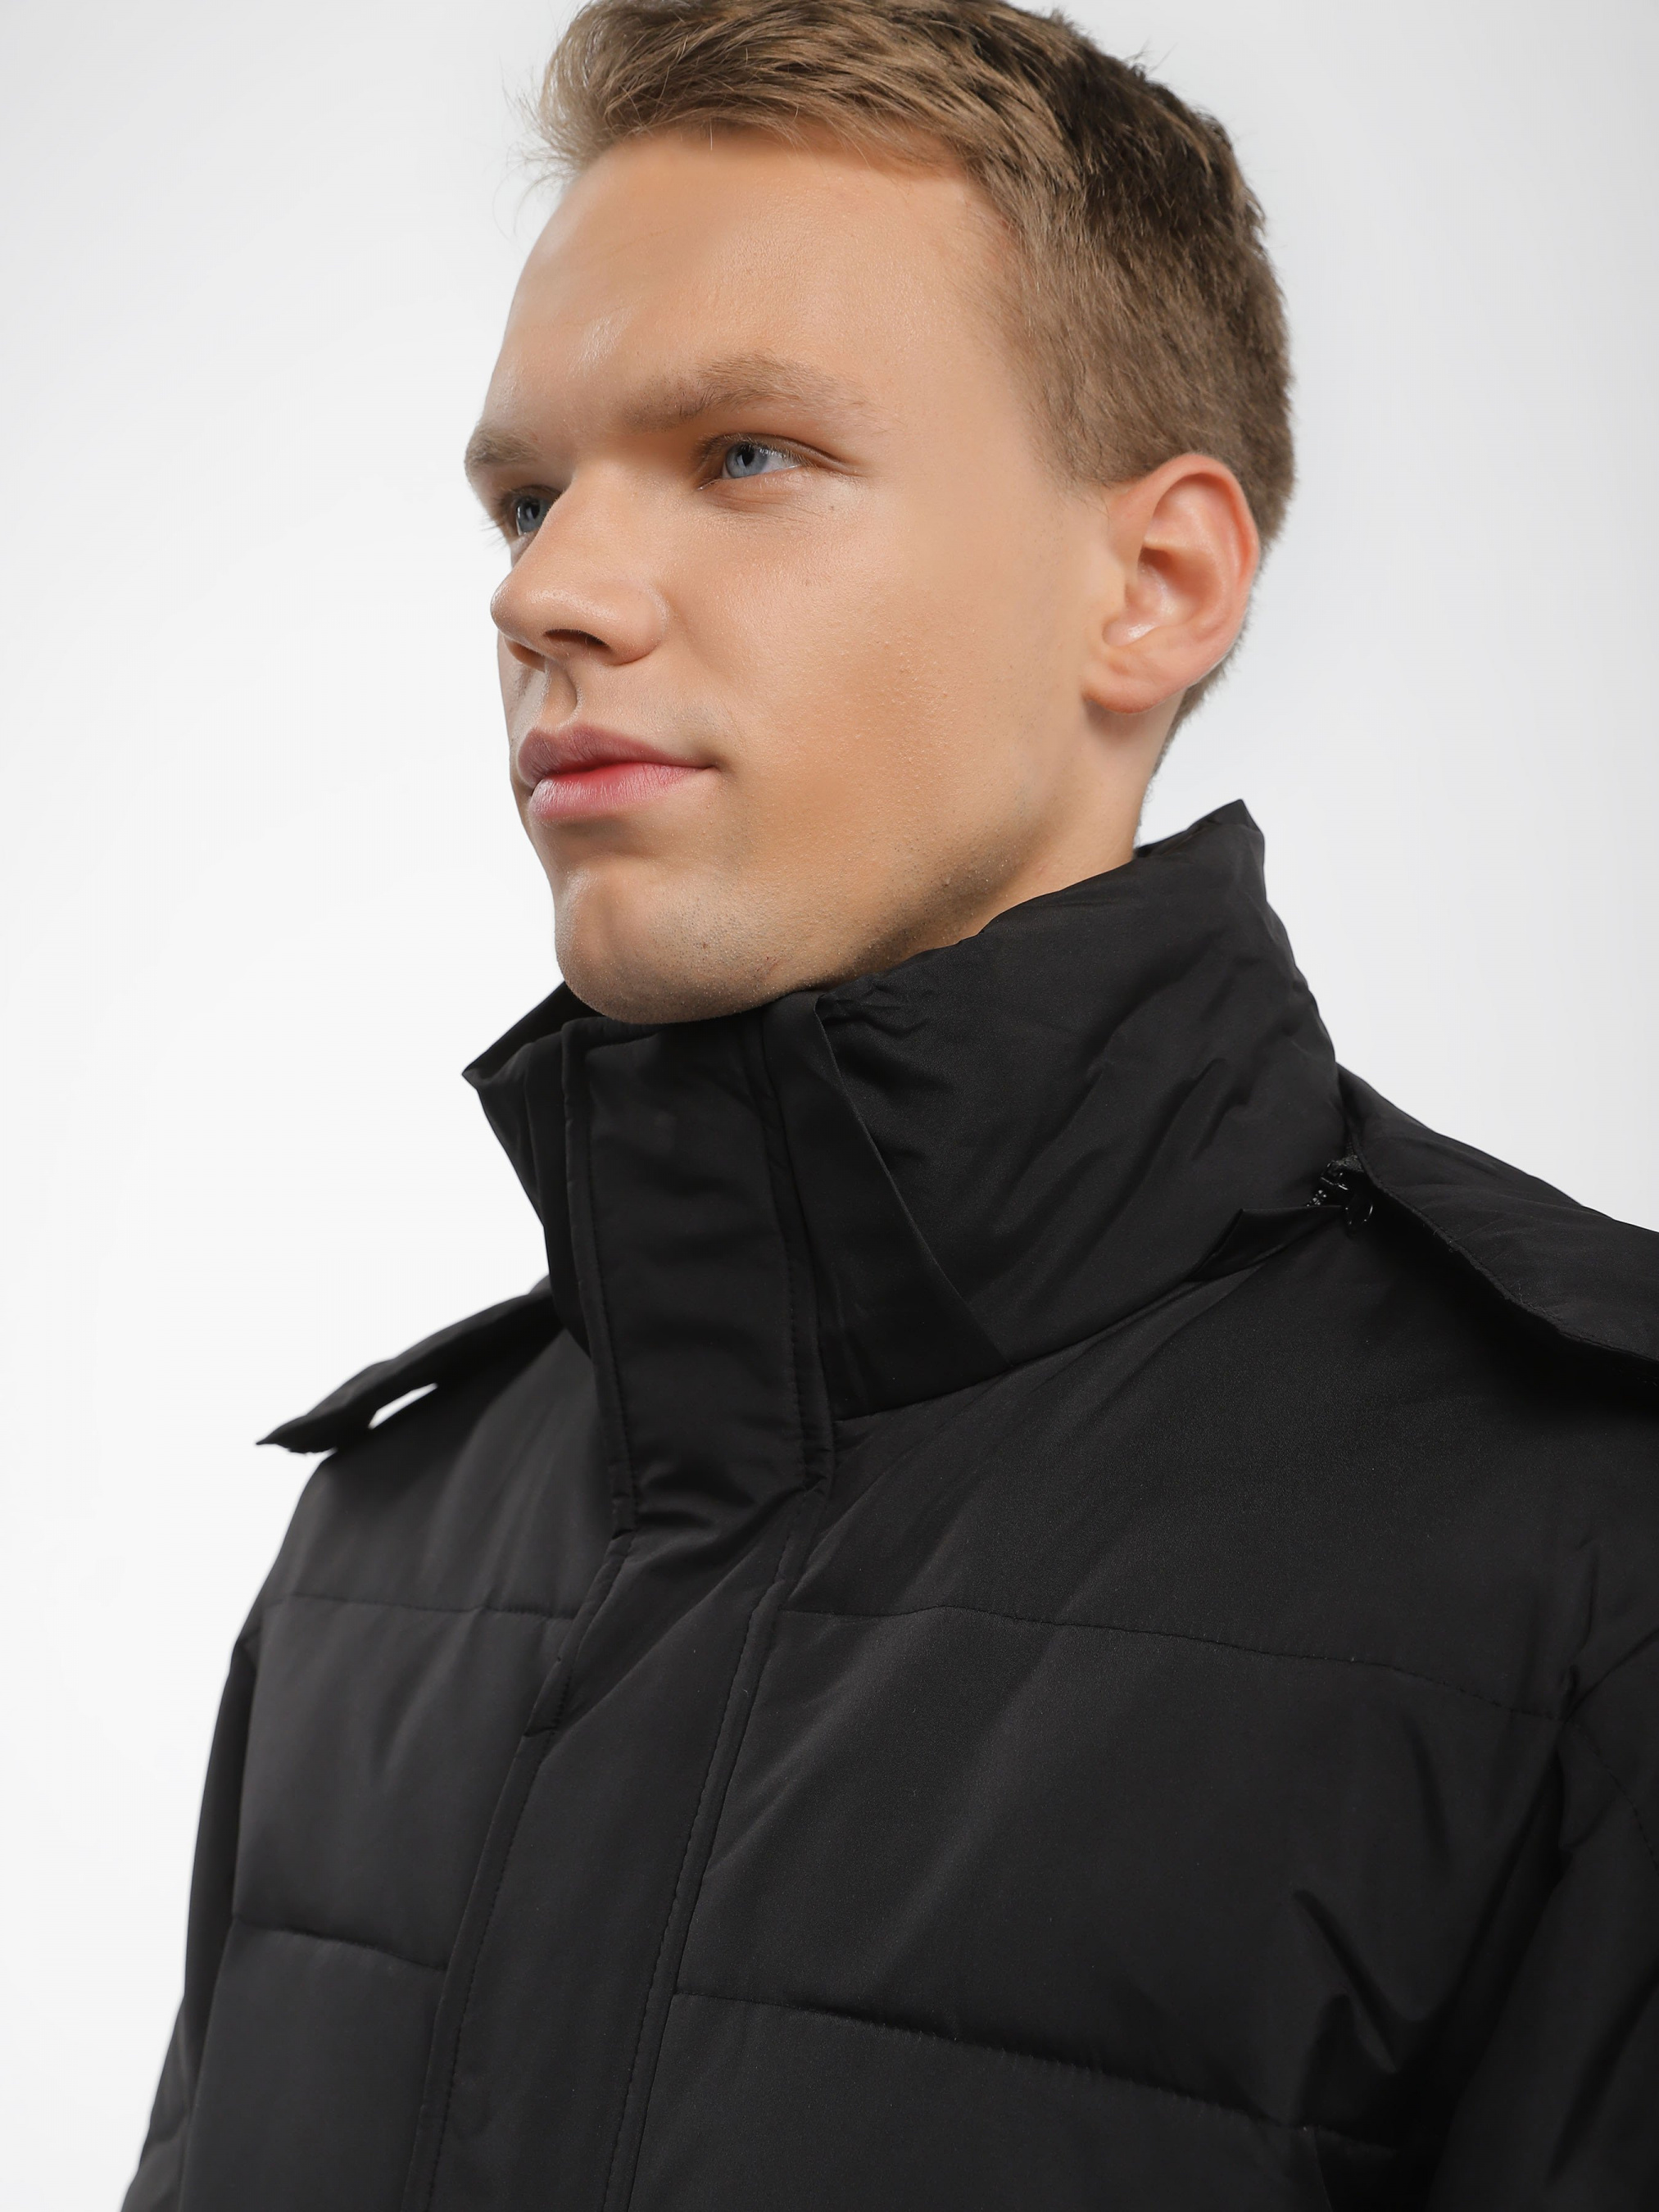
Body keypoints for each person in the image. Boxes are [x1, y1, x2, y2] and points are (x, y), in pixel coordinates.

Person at [125, 2, 1659, 2206]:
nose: (544, 591)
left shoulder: (1591, 1547)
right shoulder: (388, 1549)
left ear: (1153, 585)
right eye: (527, 496)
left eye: (745, 454)